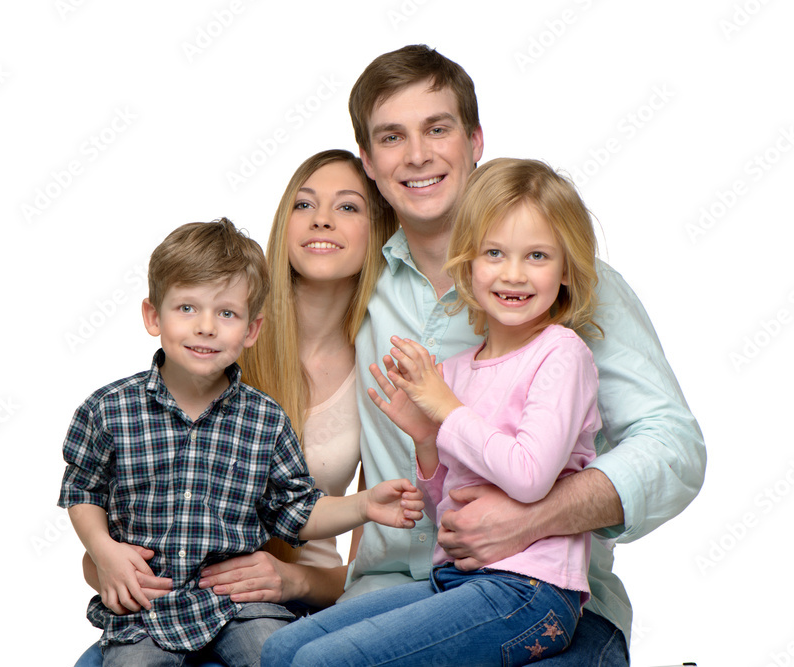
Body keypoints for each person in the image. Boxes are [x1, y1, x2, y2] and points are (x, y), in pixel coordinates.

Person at [337, 45, 706, 665]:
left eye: (438, 128)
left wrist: (537, 517)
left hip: (549, 596)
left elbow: (673, 446)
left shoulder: (569, 284)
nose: (419, 154)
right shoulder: (351, 286)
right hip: (396, 590)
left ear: (475, 140)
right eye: (392, 137)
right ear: (369, 163)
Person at [264, 157, 602, 666]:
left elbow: (529, 478)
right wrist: (426, 440)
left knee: (320, 663)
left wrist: (447, 411)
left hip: (533, 590)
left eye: (536, 256)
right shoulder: (460, 368)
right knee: (284, 648)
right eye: (494, 254)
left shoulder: (561, 353)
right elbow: (445, 503)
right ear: (466, 265)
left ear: (566, 269)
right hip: (460, 580)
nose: (513, 274)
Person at [72, 150, 397, 667]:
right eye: (304, 203)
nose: (322, 219)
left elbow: (358, 569)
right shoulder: (204, 349)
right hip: (154, 605)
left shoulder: (385, 367)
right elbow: (95, 500)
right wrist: (108, 563)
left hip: (280, 605)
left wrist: (291, 577)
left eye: (349, 207)